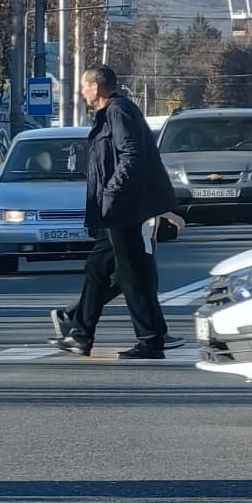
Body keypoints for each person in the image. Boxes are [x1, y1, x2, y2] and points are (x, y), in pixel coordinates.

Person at [55, 64, 179, 360]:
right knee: (98, 269)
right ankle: (81, 335)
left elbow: (131, 154)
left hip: (124, 208)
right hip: (113, 210)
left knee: (131, 273)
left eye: (84, 86)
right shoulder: (112, 112)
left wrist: (112, 192)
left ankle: (150, 340)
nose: (82, 92)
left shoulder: (118, 111)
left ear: (96, 87)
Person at [49, 211, 187, 348]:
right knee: (136, 273)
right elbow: (137, 189)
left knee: (106, 270)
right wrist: (164, 211)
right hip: (125, 214)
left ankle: (78, 326)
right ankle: (152, 335)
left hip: (115, 213)